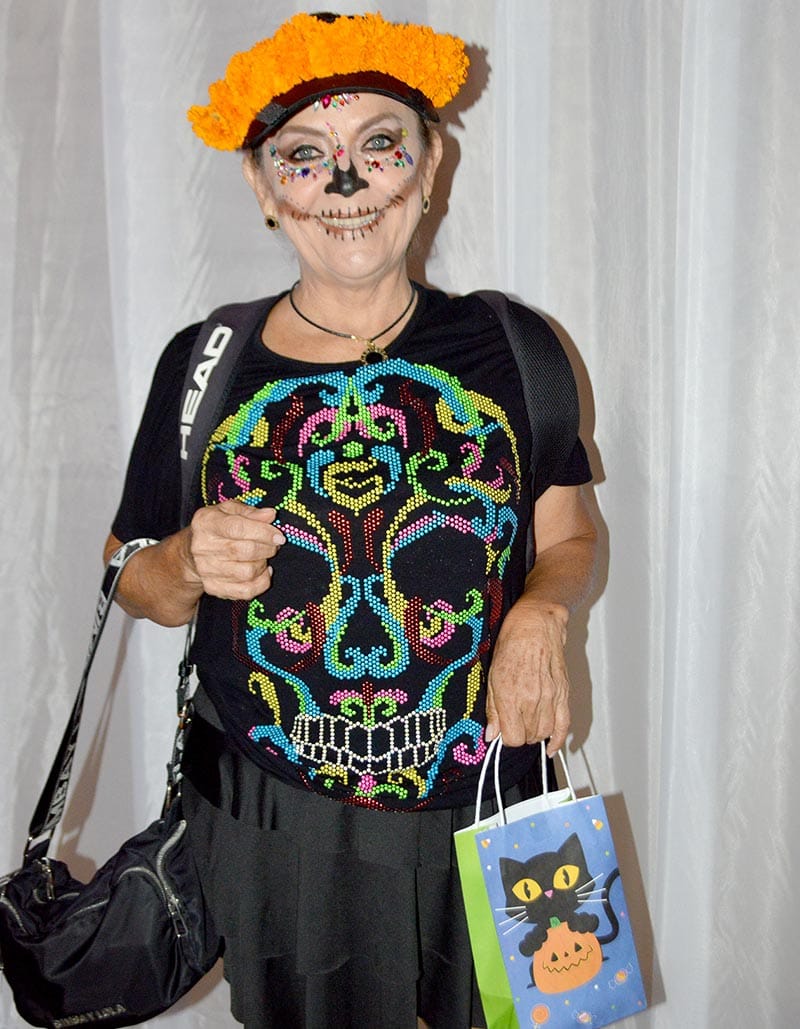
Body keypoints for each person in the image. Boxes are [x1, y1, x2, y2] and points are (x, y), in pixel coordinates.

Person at [104, 12, 597, 1029]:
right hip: (285, 818)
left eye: (379, 144)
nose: (345, 183)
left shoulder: (516, 348)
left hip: (495, 793)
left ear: (429, 164)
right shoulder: (206, 365)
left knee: (531, 1014)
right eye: (303, 155)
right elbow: (126, 573)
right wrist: (185, 561)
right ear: (261, 186)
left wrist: (542, 611)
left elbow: (571, 537)